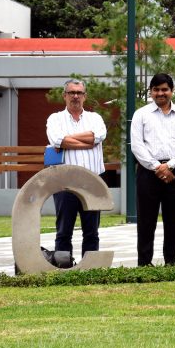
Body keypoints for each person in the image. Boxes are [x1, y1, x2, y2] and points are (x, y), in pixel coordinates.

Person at [130, 73, 175, 266]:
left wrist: (171, 165)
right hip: (147, 172)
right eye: (156, 89)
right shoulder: (140, 114)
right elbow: (137, 145)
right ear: (151, 92)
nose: (161, 93)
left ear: (172, 91)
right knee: (145, 221)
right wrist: (157, 166)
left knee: (174, 221)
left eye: (165, 89)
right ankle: (144, 263)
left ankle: (172, 262)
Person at [45, 79, 107, 265]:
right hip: (64, 183)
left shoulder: (95, 118)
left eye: (79, 93)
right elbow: (56, 140)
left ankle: (90, 269)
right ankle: (64, 267)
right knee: (64, 230)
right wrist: (87, 141)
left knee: (92, 231)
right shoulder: (55, 118)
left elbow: (99, 137)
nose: (75, 96)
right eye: (71, 92)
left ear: (85, 96)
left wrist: (67, 140)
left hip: (92, 182)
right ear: (64, 96)